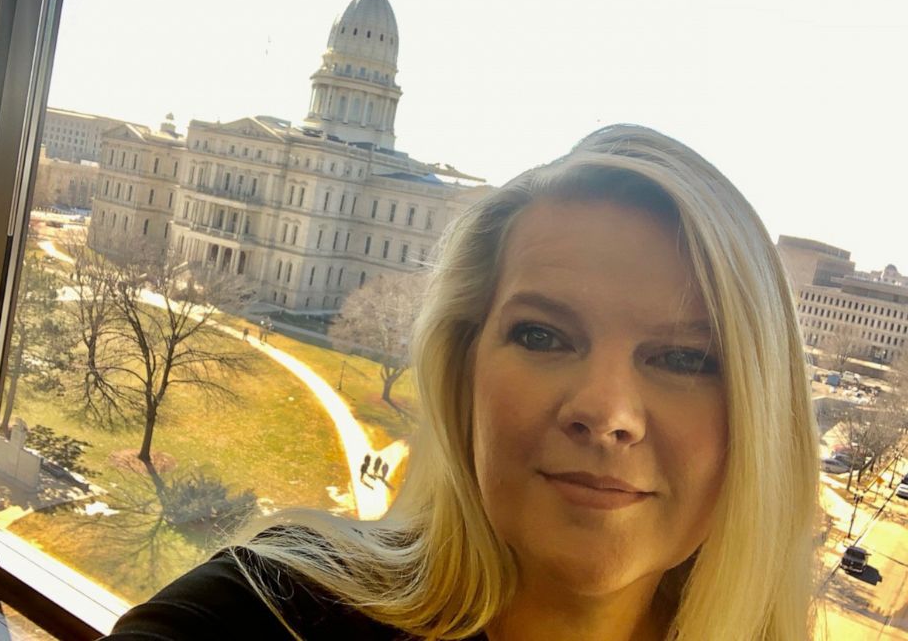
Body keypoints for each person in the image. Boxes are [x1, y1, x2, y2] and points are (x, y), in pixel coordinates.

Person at [104, 125, 819, 640]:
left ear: (761, 419)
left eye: (684, 358)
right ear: (461, 371)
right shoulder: (274, 612)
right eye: (542, 335)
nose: (605, 412)